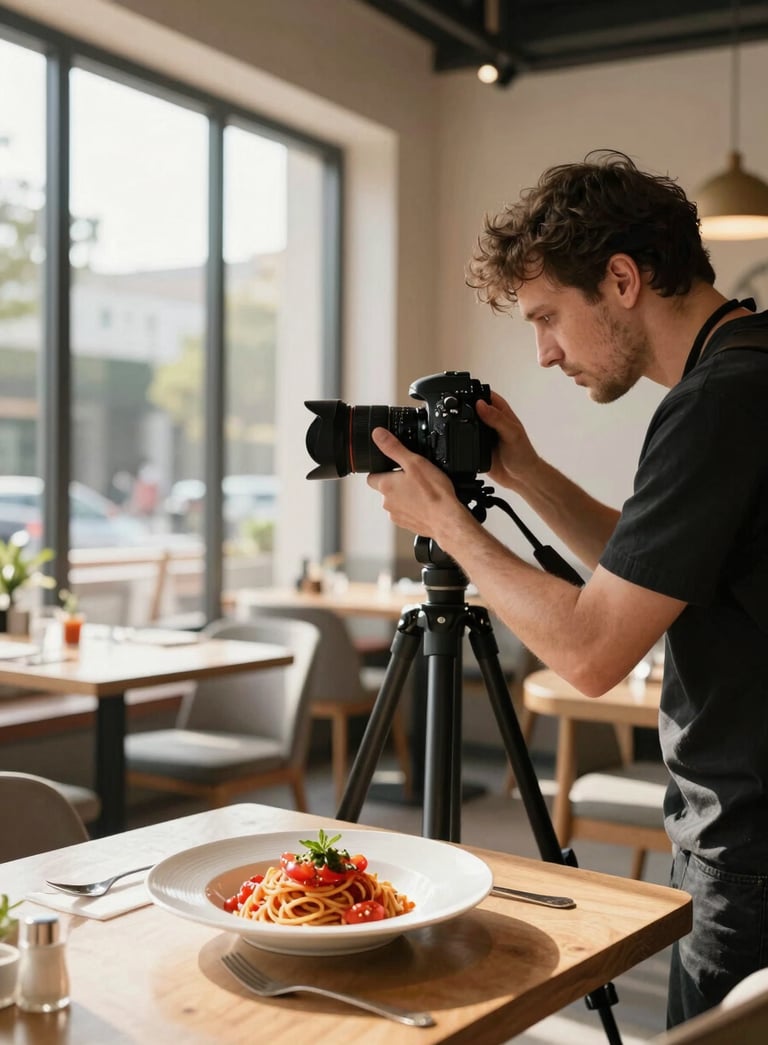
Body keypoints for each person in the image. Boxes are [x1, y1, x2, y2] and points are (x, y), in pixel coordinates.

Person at [366, 150, 768, 1028]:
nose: (544, 354)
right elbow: (656, 564)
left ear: (622, 279)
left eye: (548, 317)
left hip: (751, 849)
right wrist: (529, 476)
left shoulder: (715, 403)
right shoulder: (749, 364)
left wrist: (451, 526)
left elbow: (591, 651)